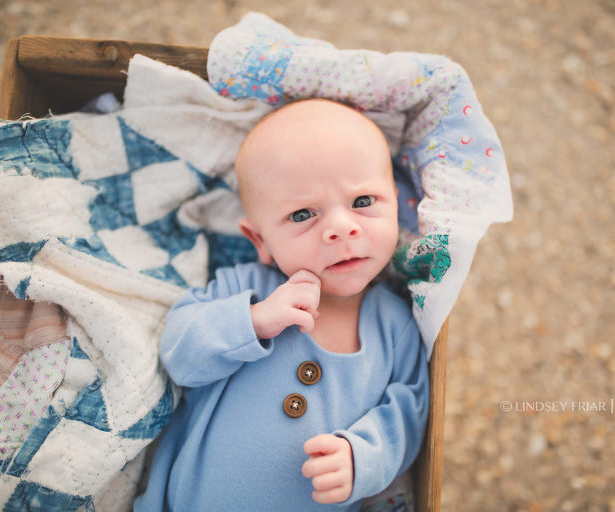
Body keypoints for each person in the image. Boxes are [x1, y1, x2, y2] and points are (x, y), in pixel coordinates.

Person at [134, 99, 429, 511]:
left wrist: (361, 457)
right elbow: (180, 355)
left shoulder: (395, 324)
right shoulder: (246, 289)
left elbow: (408, 414)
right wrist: (252, 321)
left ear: (396, 206)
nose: (342, 228)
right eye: (303, 214)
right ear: (260, 241)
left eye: (363, 201)